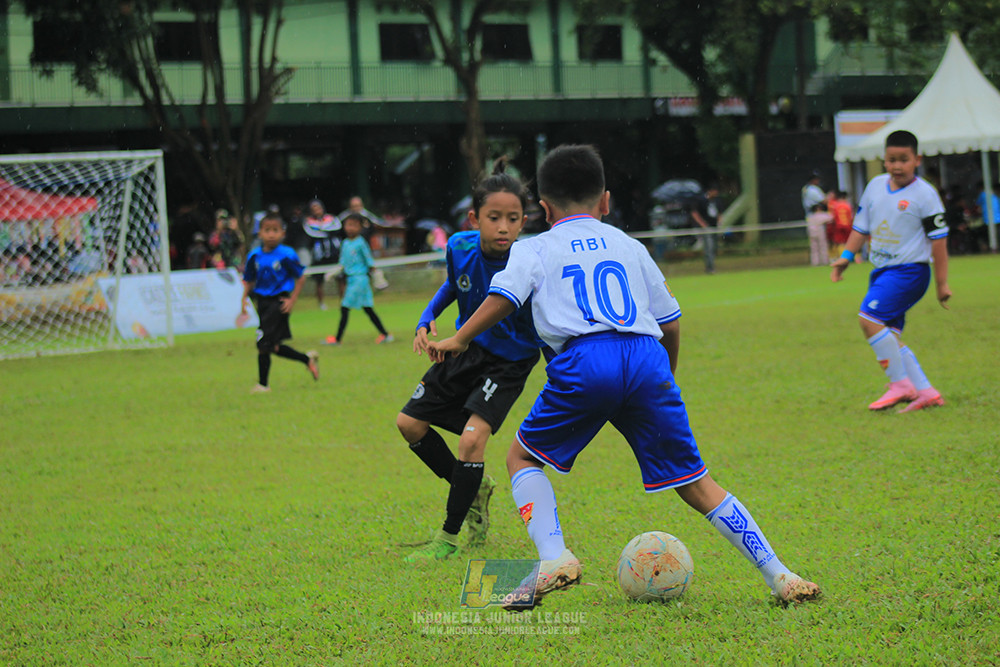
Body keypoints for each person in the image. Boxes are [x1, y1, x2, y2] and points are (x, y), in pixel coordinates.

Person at [428, 144, 820, 608]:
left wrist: (460, 338)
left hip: (584, 362)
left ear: (544, 208)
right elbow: (670, 320)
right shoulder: (629, 245)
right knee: (698, 482)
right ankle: (781, 575)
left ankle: (554, 557)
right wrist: (664, 377)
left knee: (521, 460)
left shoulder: (533, 247)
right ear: (606, 202)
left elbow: (505, 298)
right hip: (646, 358)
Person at [396, 159, 542, 563]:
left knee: (471, 440)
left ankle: (447, 537)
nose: (504, 228)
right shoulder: (459, 245)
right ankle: (475, 488)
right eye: (494, 217)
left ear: (524, 221)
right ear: (474, 218)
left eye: (513, 219)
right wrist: (427, 318)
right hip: (464, 349)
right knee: (409, 424)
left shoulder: (527, 261)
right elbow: (453, 284)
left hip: (508, 362)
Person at [831, 130, 950, 413]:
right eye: (891, 160)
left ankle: (901, 385)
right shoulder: (874, 187)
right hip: (883, 273)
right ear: (883, 160)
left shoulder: (925, 194)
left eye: (904, 160)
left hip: (910, 272)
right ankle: (926, 391)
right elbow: (861, 227)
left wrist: (942, 284)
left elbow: (939, 242)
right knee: (889, 336)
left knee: (868, 320)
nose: (897, 166)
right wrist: (846, 257)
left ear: (917, 159)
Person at [240, 212, 319, 393]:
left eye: (275, 230)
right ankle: (306, 359)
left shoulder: (287, 254)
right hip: (263, 302)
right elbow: (250, 280)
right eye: (267, 230)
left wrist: (292, 300)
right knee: (273, 346)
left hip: (279, 301)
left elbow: (300, 277)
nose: (271, 234)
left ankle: (263, 385)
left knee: (262, 344)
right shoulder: (254, 255)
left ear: (282, 233)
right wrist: (243, 299)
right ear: (259, 233)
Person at [323, 213, 393, 345]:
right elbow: (343, 263)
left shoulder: (361, 243)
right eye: (348, 225)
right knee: (368, 309)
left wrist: (378, 276)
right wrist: (333, 272)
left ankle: (337, 339)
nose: (350, 228)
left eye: (354, 225)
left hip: (359, 280)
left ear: (360, 228)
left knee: (345, 308)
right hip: (352, 280)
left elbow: (369, 261)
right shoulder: (345, 243)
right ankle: (385, 334)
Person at [302, 199, 342, 310]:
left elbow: (337, 228)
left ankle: (343, 301)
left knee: (340, 277)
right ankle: (321, 304)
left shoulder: (332, 218)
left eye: (318, 208)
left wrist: (323, 231)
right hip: (319, 254)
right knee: (319, 280)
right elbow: (311, 233)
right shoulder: (308, 221)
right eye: (314, 209)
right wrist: (326, 232)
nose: (317, 210)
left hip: (334, 252)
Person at [690, 182, 720, 274]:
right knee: (709, 247)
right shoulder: (701, 200)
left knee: (714, 247)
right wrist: (702, 224)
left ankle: (711, 267)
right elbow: (694, 212)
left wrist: (719, 222)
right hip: (706, 228)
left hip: (715, 228)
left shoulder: (716, 201)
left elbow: (720, 213)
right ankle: (710, 268)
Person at [806, 201, 832, 267]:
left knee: (814, 248)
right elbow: (831, 218)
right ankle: (824, 261)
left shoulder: (810, 216)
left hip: (811, 232)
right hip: (820, 231)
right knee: (822, 247)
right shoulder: (822, 215)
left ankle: (815, 263)